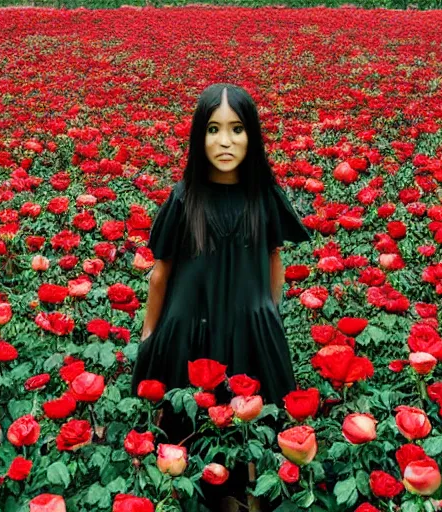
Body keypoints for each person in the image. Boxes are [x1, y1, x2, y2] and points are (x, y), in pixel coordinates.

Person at [131, 83, 311, 511]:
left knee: (256, 421)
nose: (225, 141)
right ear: (199, 136)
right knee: (185, 427)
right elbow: (161, 274)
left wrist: (269, 313)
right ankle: (200, 496)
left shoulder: (261, 198)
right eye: (214, 129)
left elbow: (274, 258)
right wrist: (149, 335)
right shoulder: (184, 198)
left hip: (248, 325)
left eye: (236, 129)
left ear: (252, 136)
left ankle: (249, 497)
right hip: (189, 328)